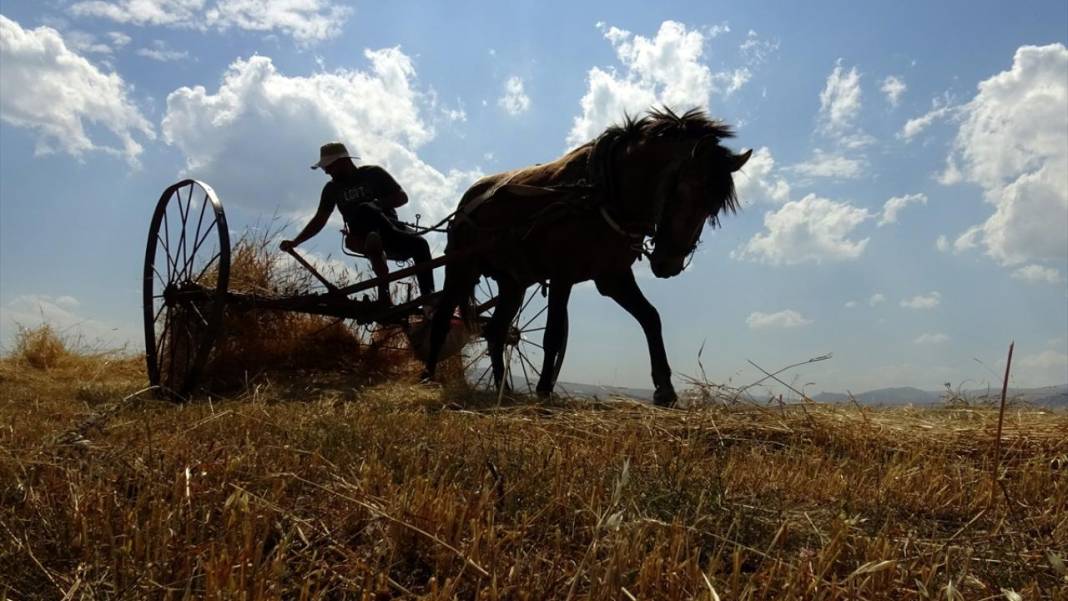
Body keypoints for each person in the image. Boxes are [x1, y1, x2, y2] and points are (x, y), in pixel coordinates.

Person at [280, 142, 434, 304]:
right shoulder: (332, 189)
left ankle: (429, 300)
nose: (326, 171)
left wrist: (377, 205)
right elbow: (320, 219)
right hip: (360, 236)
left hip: (390, 230)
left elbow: (402, 197)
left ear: (343, 161)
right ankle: (384, 294)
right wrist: (296, 241)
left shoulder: (373, 174)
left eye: (329, 166)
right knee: (368, 225)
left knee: (421, 244)